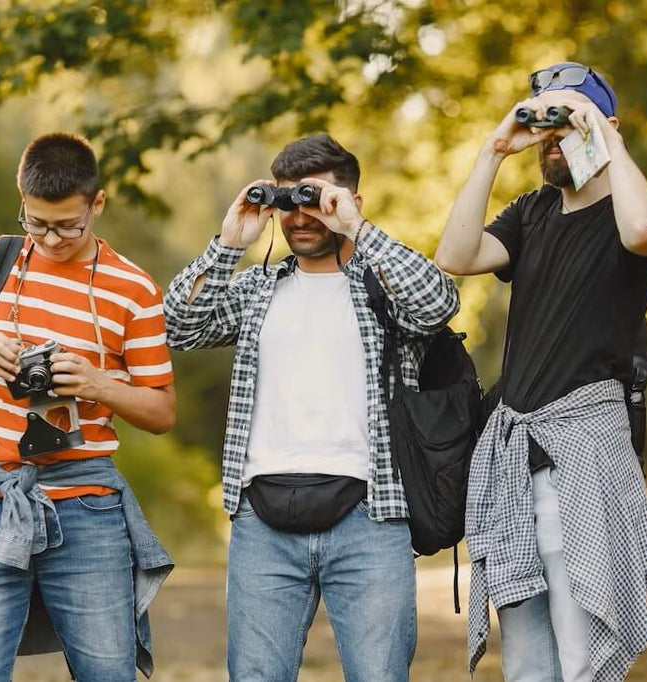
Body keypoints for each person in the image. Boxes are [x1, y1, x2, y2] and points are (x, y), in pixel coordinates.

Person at [164, 133, 459, 681]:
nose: (299, 216)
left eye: (316, 200)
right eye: (287, 201)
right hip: (261, 521)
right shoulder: (258, 289)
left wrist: (357, 231)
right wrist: (229, 242)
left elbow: (439, 302)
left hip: (372, 517)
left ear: (350, 202)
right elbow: (178, 326)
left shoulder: (384, 291)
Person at [0, 133, 176, 681]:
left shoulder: (134, 289)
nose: (50, 239)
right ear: (22, 201)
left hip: (88, 503)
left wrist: (99, 384)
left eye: (68, 225)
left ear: (97, 204)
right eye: (36, 222)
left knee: (107, 671)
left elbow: (162, 412)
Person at [435, 62, 647, 681]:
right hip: (517, 461)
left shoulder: (634, 208)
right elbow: (455, 254)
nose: (551, 138)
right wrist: (494, 148)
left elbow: (646, 232)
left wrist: (605, 138)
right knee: (528, 663)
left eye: (566, 122)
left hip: (584, 458)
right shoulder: (533, 211)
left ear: (603, 126)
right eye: (544, 127)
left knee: (583, 653)